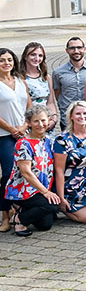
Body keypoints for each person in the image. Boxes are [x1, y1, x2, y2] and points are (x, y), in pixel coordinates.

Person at [6, 104, 59, 235]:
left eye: (43, 120)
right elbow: (26, 172)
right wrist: (46, 192)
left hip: (40, 188)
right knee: (52, 205)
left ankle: (24, 211)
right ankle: (19, 220)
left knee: (45, 225)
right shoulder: (23, 144)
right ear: (28, 123)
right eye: (36, 121)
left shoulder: (49, 141)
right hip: (24, 189)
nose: (40, 124)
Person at [0, 47, 29, 231]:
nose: (6, 63)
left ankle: (18, 210)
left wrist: (24, 127)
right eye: (2, 60)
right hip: (3, 136)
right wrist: (11, 129)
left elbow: (30, 107)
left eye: (9, 59)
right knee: (9, 173)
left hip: (23, 133)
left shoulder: (21, 81)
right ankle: (4, 215)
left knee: (24, 172)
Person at [53, 38, 86, 130]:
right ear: (67, 50)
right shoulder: (58, 72)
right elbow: (57, 94)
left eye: (79, 47)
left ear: (84, 49)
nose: (76, 51)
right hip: (68, 120)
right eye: (72, 48)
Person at [19, 43, 57, 136]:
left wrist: (54, 118)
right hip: (30, 123)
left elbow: (50, 102)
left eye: (40, 55)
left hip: (45, 123)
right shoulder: (19, 78)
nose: (37, 58)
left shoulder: (46, 77)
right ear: (25, 57)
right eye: (33, 54)